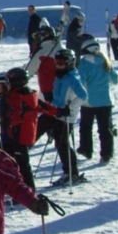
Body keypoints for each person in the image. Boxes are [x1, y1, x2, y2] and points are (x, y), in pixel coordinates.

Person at [4, 68, 54, 190]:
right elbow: (44, 107)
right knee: (21, 163)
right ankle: (25, 189)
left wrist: (5, 122)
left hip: (18, 135)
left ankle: (28, 190)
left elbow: (16, 117)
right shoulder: (30, 94)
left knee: (20, 164)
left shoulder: (17, 97)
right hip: (27, 134)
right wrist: (58, 112)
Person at [42, 49, 87, 186]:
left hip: (67, 116)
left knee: (62, 144)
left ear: (69, 63)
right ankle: (70, 172)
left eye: (61, 62)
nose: (58, 65)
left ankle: (71, 173)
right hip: (56, 113)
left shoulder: (73, 78)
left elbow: (83, 95)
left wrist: (70, 107)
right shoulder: (60, 76)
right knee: (60, 143)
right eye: (56, 62)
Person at [76, 36, 118, 163]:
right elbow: (115, 80)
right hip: (106, 101)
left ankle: (86, 149)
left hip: (88, 102)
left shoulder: (84, 63)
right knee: (105, 129)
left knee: (85, 127)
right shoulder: (105, 61)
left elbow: (80, 83)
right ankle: (107, 153)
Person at [27, 24, 63, 102]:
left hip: (48, 89)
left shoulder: (41, 52)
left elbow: (29, 70)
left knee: (48, 111)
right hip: (64, 89)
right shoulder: (61, 49)